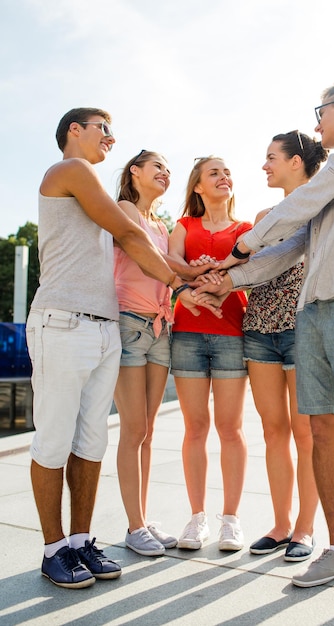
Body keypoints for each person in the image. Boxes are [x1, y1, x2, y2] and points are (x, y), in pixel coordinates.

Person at [194, 80, 334, 598]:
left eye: (321, 112)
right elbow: (292, 245)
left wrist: (239, 246)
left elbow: (303, 201)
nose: (317, 125)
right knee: (322, 432)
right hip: (313, 313)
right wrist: (226, 281)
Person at [26, 109, 222, 589]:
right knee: (53, 438)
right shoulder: (71, 171)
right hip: (61, 319)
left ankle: (79, 541)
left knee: (92, 440)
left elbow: (146, 243)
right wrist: (180, 284)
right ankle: (53, 548)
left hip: (104, 323)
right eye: (102, 129)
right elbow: (131, 236)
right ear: (75, 131)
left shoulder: (89, 180)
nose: (111, 138)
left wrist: (192, 275)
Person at [113, 150, 221, 558]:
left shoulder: (162, 224)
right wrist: (186, 279)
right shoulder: (125, 209)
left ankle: (140, 518)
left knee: (149, 429)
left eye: (167, 169)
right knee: (133, 428)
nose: (164, 172)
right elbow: (145, 252)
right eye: (156, 166)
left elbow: (172, 260)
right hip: (130, 321)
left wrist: (206, 268)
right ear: (134, 172)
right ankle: (134, 526)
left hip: (161, 326)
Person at [243, 131, 328, 562]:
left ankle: (305, 527)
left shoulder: (322, 203)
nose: (264, 165)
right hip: (259, 327)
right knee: (272, 430)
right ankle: (280, 524)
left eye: (271, 157)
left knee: (306, 432)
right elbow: (251, 268)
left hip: (302, 327)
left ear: (296, 161)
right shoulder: (265, 214)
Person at [168, 156, 252, 551]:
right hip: (187, 334)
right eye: (214, 172)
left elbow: (252, 278)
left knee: (230, 429)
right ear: (198, 186)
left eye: (227, 172)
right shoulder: (183, 226)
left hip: (233, 334)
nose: (224, 177)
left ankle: (231, 521)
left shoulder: (246, 229)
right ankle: (197, 518)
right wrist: (193, 277)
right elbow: (170, 268)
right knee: (195, 428)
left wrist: (220, 273)